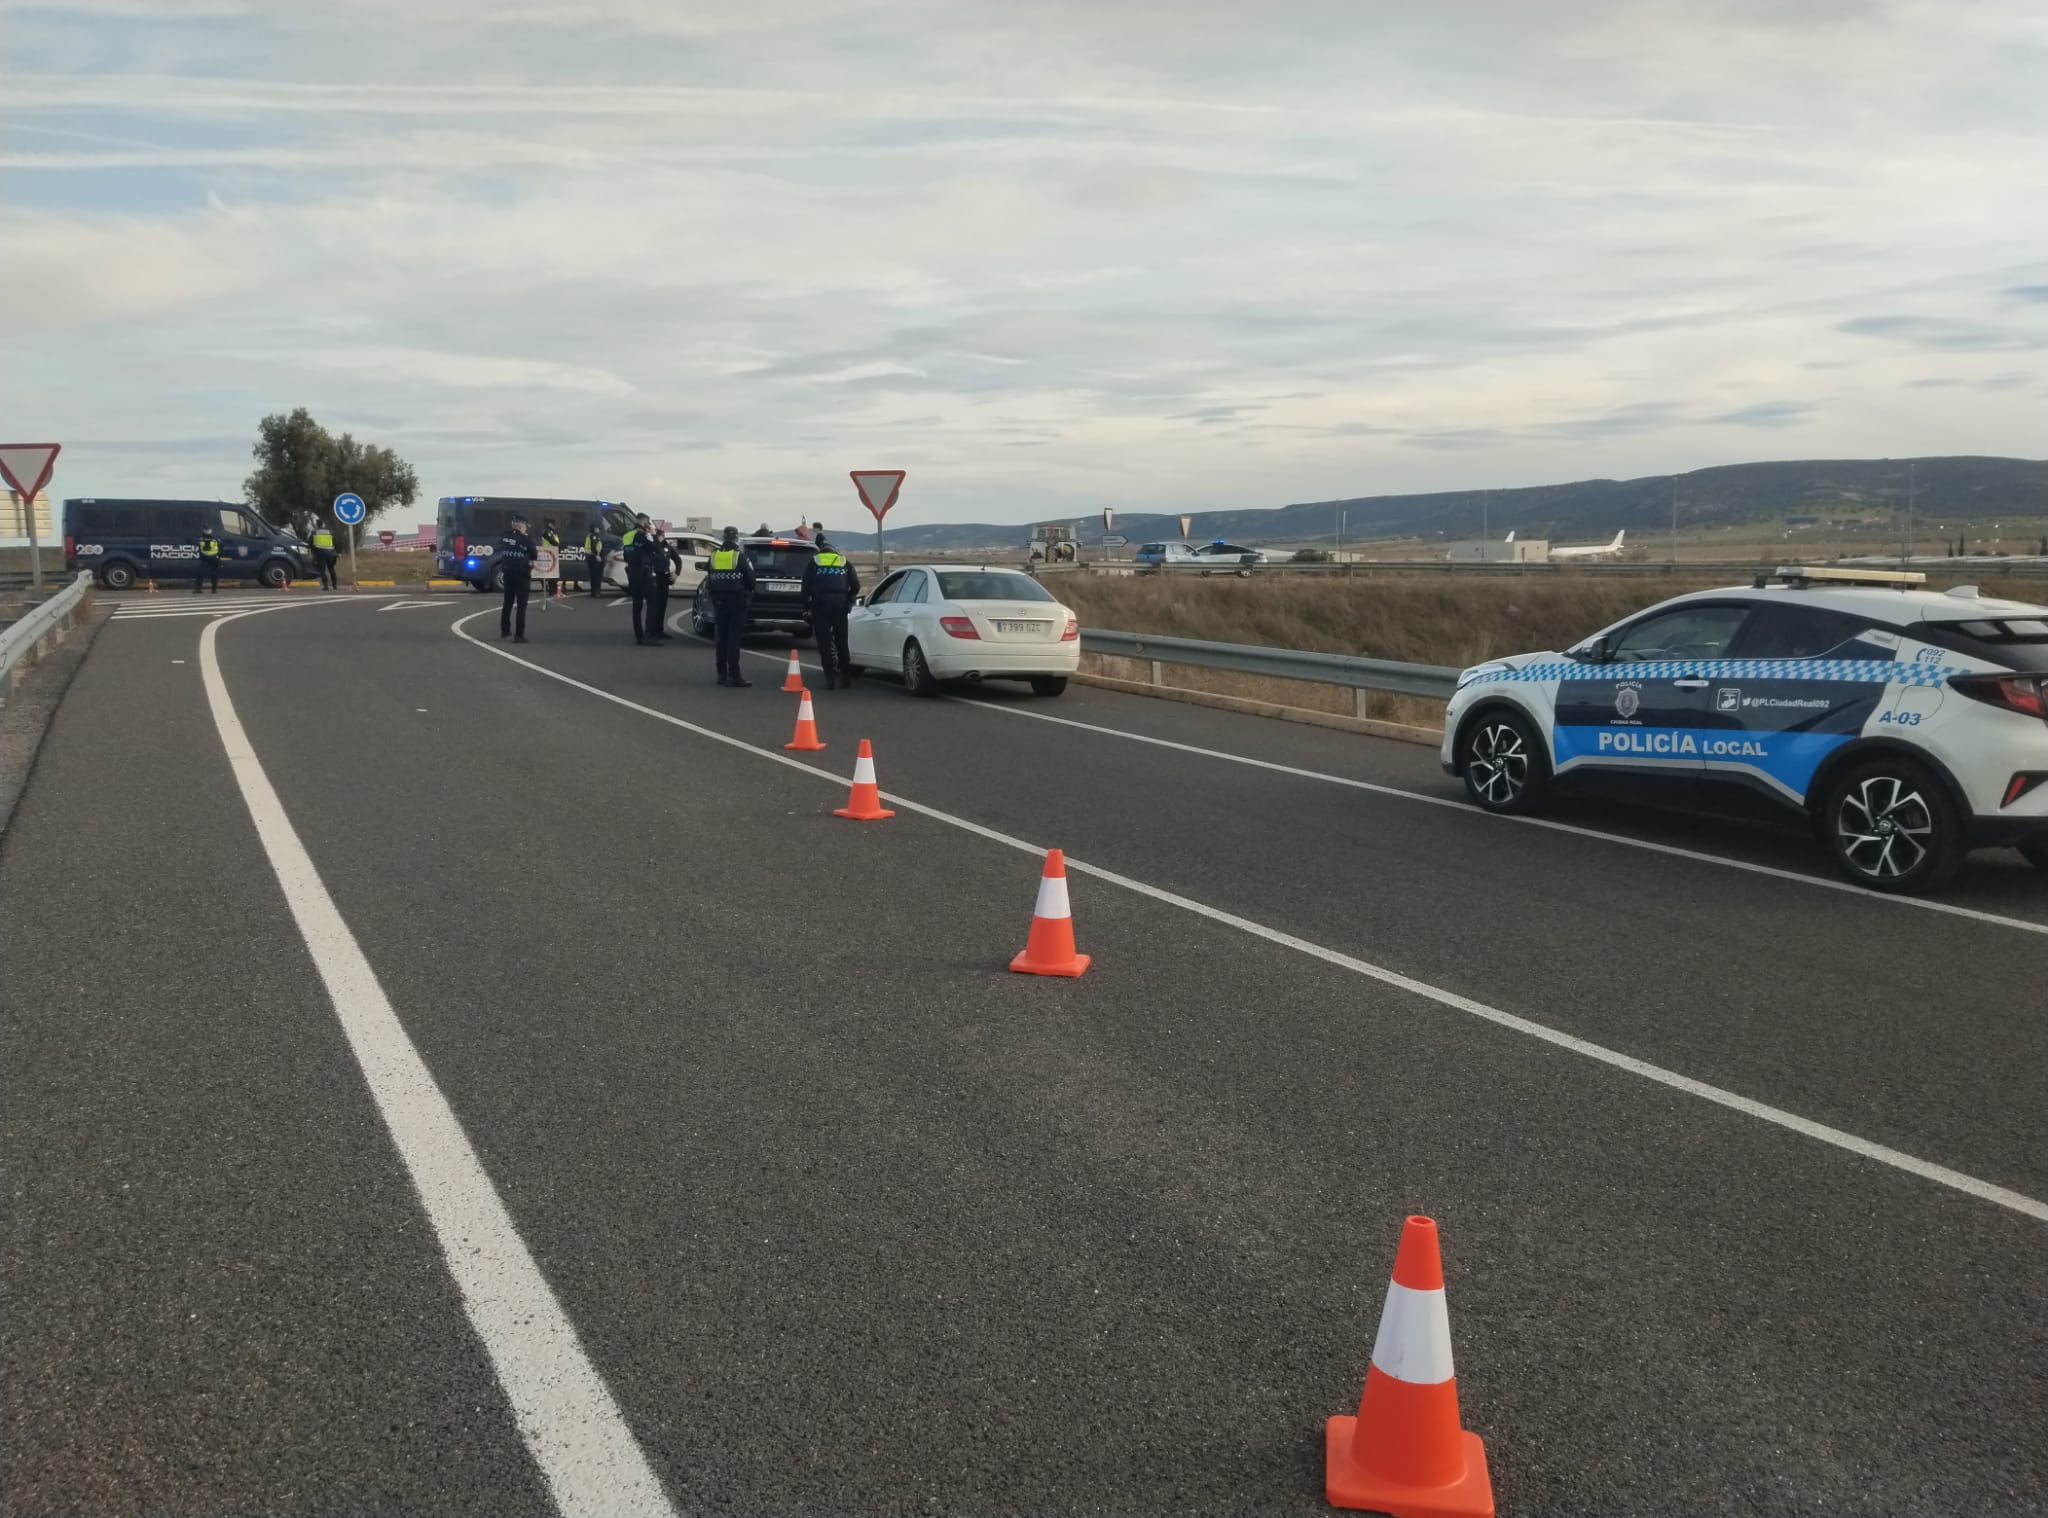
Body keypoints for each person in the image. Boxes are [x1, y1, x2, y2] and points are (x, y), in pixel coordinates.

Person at [802, 531, 861, 689]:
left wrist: (806, 607)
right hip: (840, 605)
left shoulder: (815, 560)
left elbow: (805, 585)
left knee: (824, 643)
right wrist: (849, 600)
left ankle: (829, 678)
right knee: (841, 642)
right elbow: (855, 585)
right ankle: (845, 678)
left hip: (821, 604)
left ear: (819, 547)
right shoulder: (842, 560)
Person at [706, 525, 756, 685]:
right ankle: (734, 674)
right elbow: (751, 580)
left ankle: (721, 674)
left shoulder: (714, 556)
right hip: (736, 601)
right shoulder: (739, 557)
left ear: (723, 538)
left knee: (721, 637)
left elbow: (709, 576)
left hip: (719, 602)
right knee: (733, 639)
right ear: (736, 538)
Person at [622, 512, 662, 645]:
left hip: (632, 572)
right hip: (644, 572)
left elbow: (626, 555)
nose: (649, 525)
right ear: (643, 522)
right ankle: (649, 635)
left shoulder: (627, 536)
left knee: (636, 605)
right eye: (648, 522)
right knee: (652, 603)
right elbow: (656, 548)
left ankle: (639, 636)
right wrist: (654, 535)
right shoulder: (643, 535)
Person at [498, 513, 535, 642]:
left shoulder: (505, 536)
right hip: (522, 575)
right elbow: (534, 553)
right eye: (526, 526)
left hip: (507, 573)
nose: (527, 529)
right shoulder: (525, 539)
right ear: (522, 526)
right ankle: (519, 635)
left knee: (507, 603)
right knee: (521, 606)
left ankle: (505, 630)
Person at [311, 521, 339, 590]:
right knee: (331, 569)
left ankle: (326, 585)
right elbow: (335, 541)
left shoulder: (314, 532)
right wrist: (337, 552)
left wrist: (313, 552)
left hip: (320, 553)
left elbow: (310, 542)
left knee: (322, 570)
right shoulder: (329, 531)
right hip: (330, 553)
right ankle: (334, 585)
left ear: (316, 524)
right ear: (323, 524)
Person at [194, 526, 222, 593]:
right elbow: (220, 548)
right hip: (211, 558)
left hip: (208, 558)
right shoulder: (215, 539)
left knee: (204, 573)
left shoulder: (201, 540)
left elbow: (220, 548)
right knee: (204, 573)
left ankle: (210, 589)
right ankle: (212, 589)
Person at [541, 518, 563, 600]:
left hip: (553, 554)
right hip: (549, 554)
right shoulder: (547, 532)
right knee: (551, 574)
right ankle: (552, 591)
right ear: (550, 524)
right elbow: (553, 541)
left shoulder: (552, 532)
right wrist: (558, 546)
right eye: (554, 525)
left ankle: (554, 590)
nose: (555, 527)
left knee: (554, 574)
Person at [582, 522, 606, 597]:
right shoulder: (594, 536)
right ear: (595, 529)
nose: (599, 529)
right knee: (597, 576)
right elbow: (594, 547)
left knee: (593, 576)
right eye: (597, 528)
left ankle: (593, 592)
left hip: (590, 557)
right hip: (594, 557)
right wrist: (597, 555)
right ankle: (597, 592)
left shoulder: (589, 535)